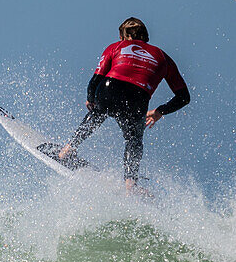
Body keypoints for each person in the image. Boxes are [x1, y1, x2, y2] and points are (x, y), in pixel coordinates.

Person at [59, 17, 190, 191]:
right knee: (134, 140)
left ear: (123, 37)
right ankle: (130, 184)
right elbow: (184, 97)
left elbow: (95, 79)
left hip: (110, 88)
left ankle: (67, 149)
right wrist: (159, 111)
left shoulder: (116, 47)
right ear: (146, 37)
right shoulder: (164, 58)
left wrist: (91, 99)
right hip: (138, 98)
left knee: (97, 114)